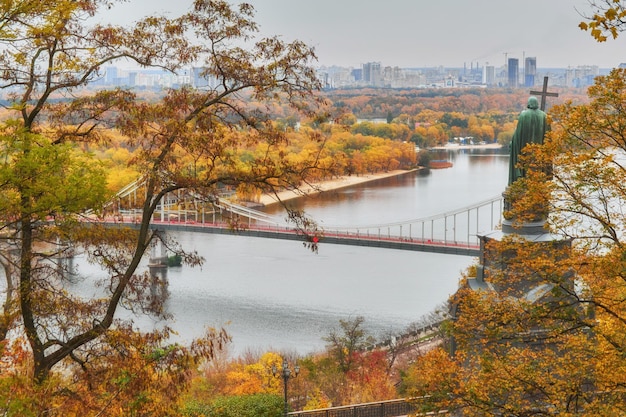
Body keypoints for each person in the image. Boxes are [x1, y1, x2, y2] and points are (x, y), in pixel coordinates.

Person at [508, 96, 548, 185]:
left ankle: (523, 180)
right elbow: (548, 136)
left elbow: (518, 133)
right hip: (539, 151)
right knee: (537, 165)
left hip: (524, 150)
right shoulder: (544, 116)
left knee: (524, 166)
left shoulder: (524, 115)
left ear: (529, 104)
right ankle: (538, 182)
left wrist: (513, 143)